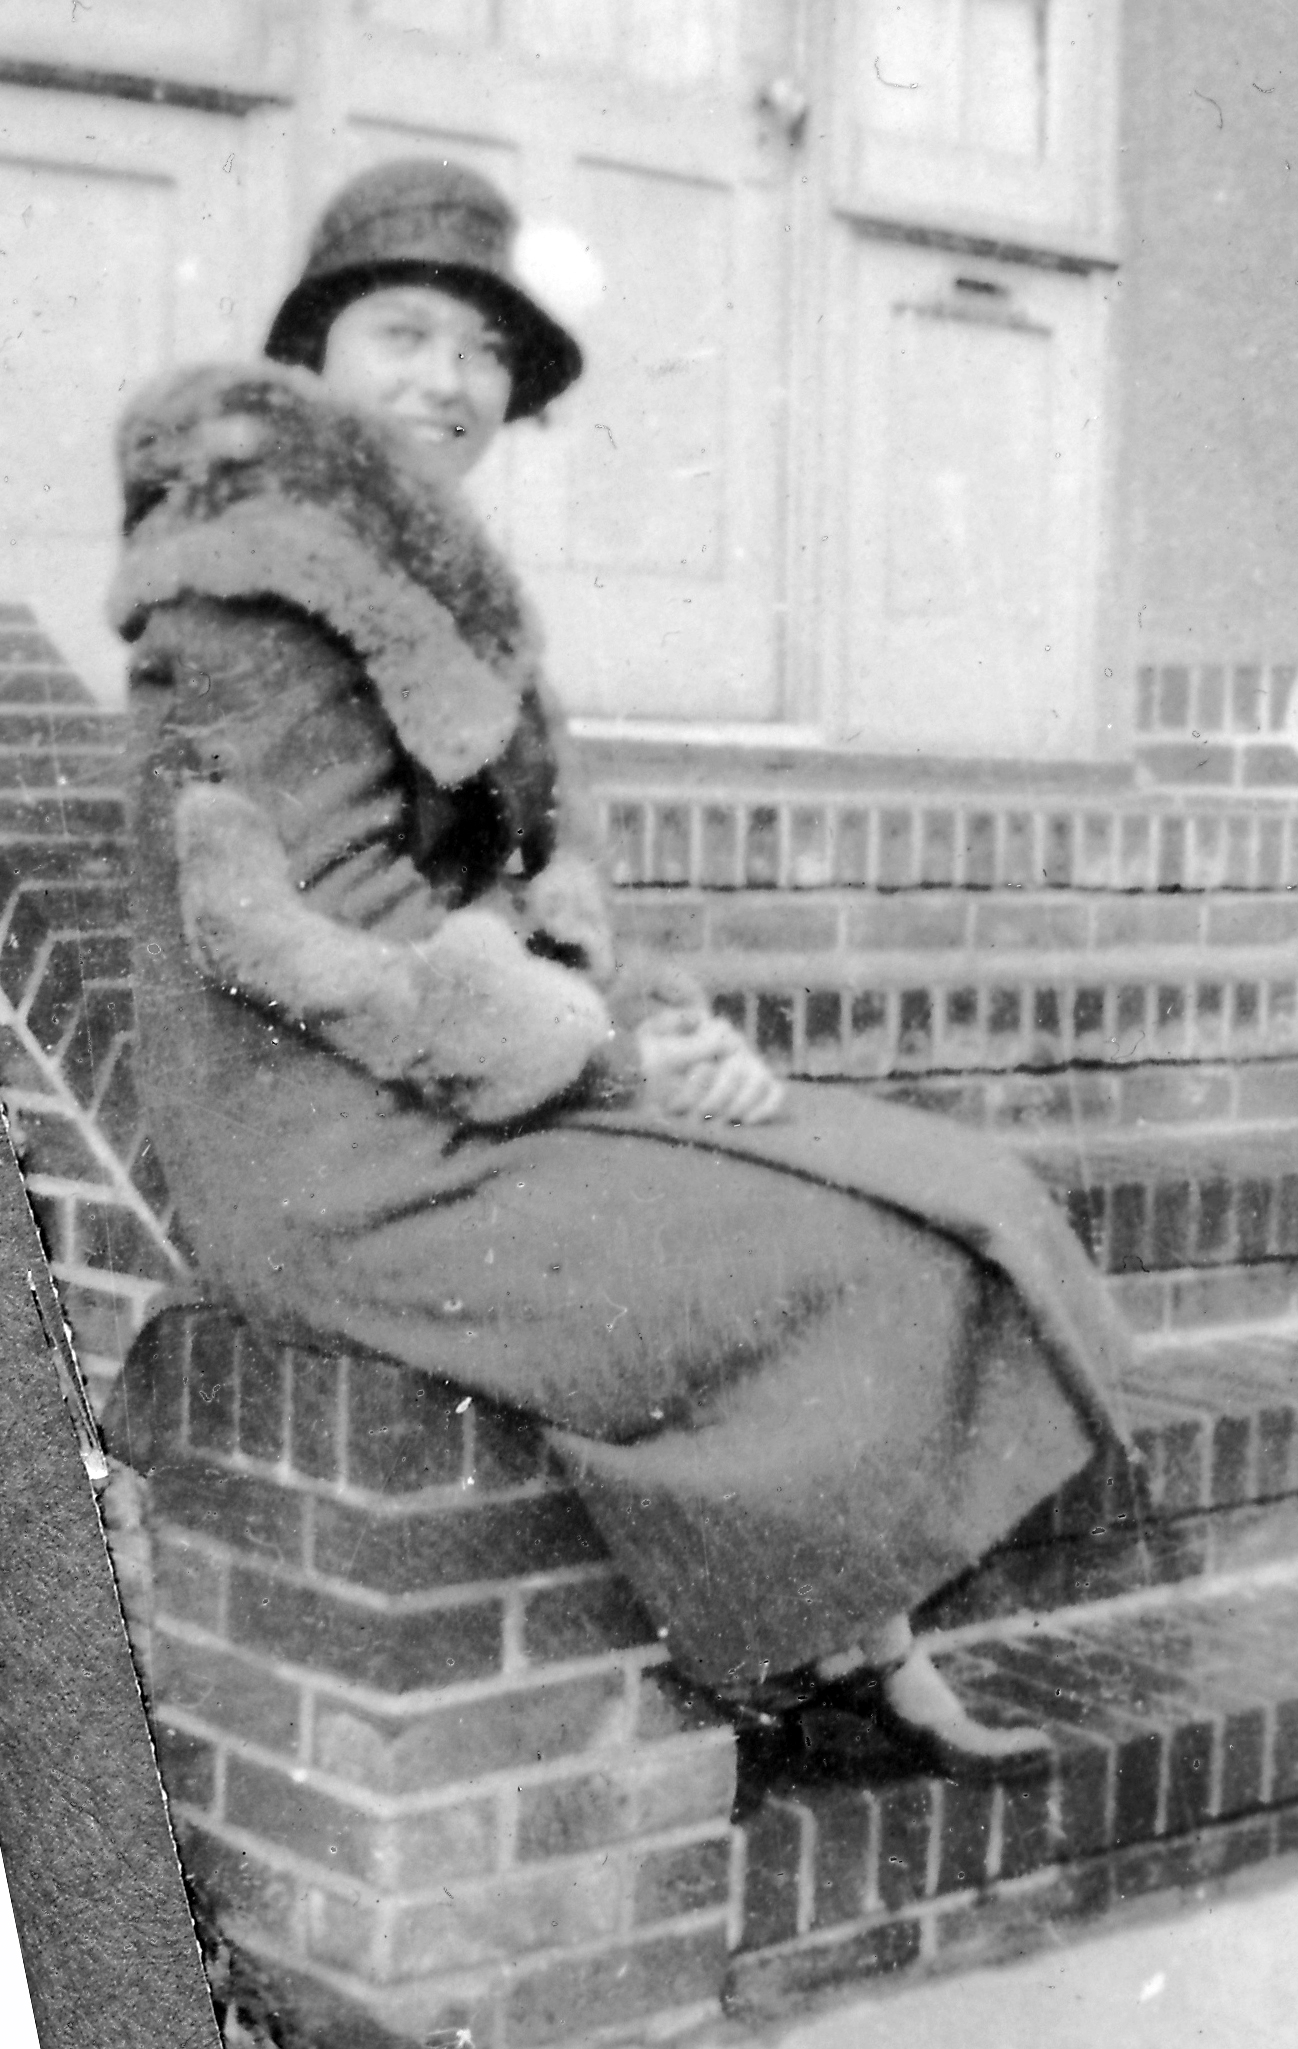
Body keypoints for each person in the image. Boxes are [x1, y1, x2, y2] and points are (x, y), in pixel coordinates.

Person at [110, 159, 1135, 1780]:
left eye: (486, 353)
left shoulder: (425, 575)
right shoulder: (255, 578)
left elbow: (537, 882)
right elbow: (297, 922)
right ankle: (828, 1642)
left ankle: (851, 1636)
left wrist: (667, 1027)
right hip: (323, 1150)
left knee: (957, 1184)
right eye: (407, 333)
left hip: (458, 1091)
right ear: (316, 351)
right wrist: (605, 1062)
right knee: (854, 1255)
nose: (449, 382)